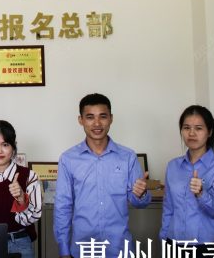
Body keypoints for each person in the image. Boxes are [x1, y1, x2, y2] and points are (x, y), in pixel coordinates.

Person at [54, 93, 150, 258]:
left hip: (119, 248)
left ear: (111, 118)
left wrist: (141, 194)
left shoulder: (127, 157)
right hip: (83, 248)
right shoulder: (68, 159)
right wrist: (64, 249)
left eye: (103, 116)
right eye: (90, 117)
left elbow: (139, 203)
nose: (97, 123)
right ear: (81, 120)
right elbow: (63, 206)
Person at [160, 105, 214, 248]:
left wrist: (201, 193)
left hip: (207, 244)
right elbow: (168, 207)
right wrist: (164, 237)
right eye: (186, 128)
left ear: (210, 132)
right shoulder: (173, 166)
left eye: (198, 128)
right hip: (174, 241)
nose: (191, 133)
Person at [0, 120, 42, 258]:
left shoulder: (29, 176)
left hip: (20, 243)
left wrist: (21, 199)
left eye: (5, 144)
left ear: (13, 147)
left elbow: (33, 217)